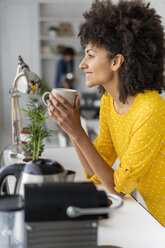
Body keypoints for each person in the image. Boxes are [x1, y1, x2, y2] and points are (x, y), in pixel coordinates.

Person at [47, 0, 165, 226]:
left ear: (116, 61)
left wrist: (78, 132)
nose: (82, 64)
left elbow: (117, 188)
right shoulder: (109, 103)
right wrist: (72, 130)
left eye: (91, 55)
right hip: (150, 216)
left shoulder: (151, 108)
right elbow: (94, 170)